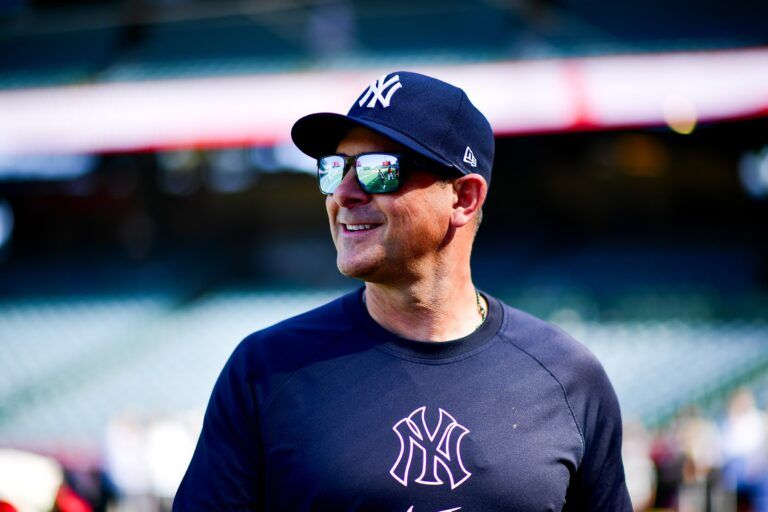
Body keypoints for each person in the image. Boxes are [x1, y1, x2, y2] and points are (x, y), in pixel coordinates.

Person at [174, 71, 632, 511]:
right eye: (334, 169)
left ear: (464, 197)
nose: (344, 194)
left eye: (378, 170)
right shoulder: (265, 370)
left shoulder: (568, 379)